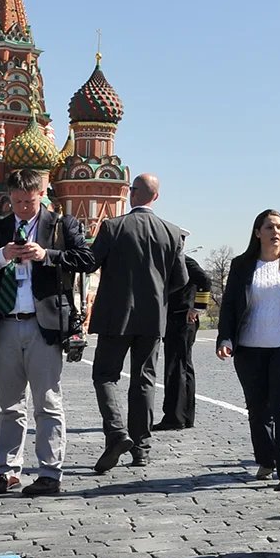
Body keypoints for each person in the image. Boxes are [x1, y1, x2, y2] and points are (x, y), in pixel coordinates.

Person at [0, 168, 95, 497]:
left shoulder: (62, 226)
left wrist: (46, 255)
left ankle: (50, 473)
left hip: (43, 324)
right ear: (9, 198)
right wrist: (1, 255)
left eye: (29, 201)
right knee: (9, 404)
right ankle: (7, 471)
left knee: (47, 402)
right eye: (17, 201)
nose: (23, 207)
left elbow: (87, 259)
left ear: (42, 195)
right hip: (4, 324)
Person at [86, 173, 188, 473]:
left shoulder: (113, 227)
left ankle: (117, 433)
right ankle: (141, 450)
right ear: (156, 197)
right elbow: (181, 279)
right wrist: (156, 295)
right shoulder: (172, 232)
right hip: (153, 318)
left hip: (114, 317)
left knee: (105, 375)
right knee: (144, 381)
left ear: (132, 195)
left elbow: (90, 262)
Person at [216, 209, 280, 490]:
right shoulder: (241, 265)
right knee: (258, 408)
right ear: (257, 232)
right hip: (249, 348)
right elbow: (228, 307)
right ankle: (267, 458)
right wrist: (225, 340)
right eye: (269, 227)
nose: (275, 232)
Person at [155, 252, 211, 431]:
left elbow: (205, 280)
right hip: (180, 319)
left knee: (175, 368)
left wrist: (198, 308)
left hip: (182, 319)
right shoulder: (175, 260)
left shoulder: (183, 260)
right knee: (183, 367)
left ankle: (175, 417)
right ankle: (185, 416)